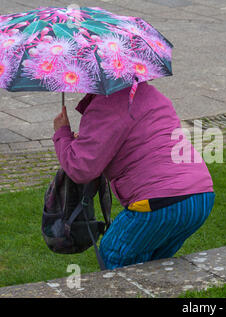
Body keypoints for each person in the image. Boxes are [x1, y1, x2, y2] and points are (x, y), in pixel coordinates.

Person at [53, 81, 215, 269]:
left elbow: (80, 168)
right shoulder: (148, 92)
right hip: (200, 196)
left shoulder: (105, 104)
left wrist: (62, 133)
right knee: (150, 266)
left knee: (114, 255)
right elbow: (135, 135)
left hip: (160, 202)